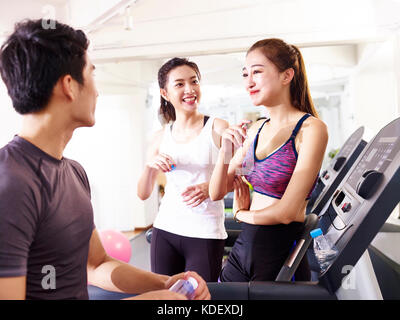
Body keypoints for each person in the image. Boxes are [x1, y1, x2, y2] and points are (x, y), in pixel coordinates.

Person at [0, 19, 210, 300]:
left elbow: (97, 265)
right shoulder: (11, 183)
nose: (97, 91)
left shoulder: (73, 172)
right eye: (92, 74)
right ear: (69, 86)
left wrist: (164, 283)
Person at [209, 38, 328, 282]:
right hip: (243, 248)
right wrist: (225, 152)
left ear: (287, 76)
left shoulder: (310, 129)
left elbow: (285, 213)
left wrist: (240, 214)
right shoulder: (255, 130)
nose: (248, 82)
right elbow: (217, 191)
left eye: (257, 72)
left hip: (279, 253)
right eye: (245, 74)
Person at [137, 57, 229, 282]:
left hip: (205, 231)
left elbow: (243, 175)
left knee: (200, 298)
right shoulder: (160, 137)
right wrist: (151, 167)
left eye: (194, 81)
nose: (189, 89)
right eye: (179, 84)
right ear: (165, 93)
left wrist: (210, 187)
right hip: (165, 229)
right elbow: (143, 193)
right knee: (165, 296)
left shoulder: (218, 128)